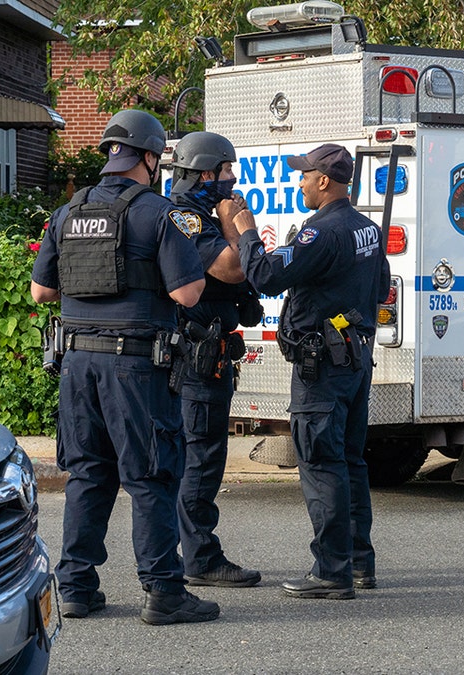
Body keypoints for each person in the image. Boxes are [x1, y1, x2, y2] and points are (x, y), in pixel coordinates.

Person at [30, 109, 218, 625]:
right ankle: (163, 592)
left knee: (88, 474)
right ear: (151, 157)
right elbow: (187, 291)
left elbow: (41, 290)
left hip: (76, 365)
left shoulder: (68, 212)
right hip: (134, 367)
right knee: (150, 475)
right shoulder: (159, 213)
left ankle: (76, 588)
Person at [234, 143, 389, 599]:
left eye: (304, 175)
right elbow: (379, 287)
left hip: (322, 367)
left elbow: (264, 275)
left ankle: (332, 571)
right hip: (355, 360)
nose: (300, 181)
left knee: (321, 464)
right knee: (351, 462)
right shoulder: (368, 229)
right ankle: (360, 563)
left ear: (325, 181)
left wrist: (245, 231)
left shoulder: (320, 234)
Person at [167, 131, 265, 588]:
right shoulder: (186, 217)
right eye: (226, 171)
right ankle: (201, 558)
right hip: (198, 356)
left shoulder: (194, 211)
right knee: (202, 458)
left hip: (203, 352)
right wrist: (238, 224)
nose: (232, 181)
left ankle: (179, 553)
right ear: (206, 172)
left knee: (192, 456)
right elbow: (232, 267)